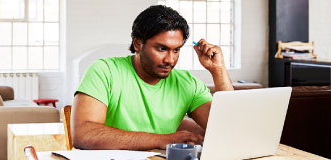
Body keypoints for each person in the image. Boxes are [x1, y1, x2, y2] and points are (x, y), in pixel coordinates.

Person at [71, 5, 233, 150]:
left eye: (176, 50)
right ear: (138, 44)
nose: (170, 59)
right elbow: (83, 134)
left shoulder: (188, 84)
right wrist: (162, 140)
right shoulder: (105, 71)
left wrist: (218, 71)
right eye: (162, 49)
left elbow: (228, 128)